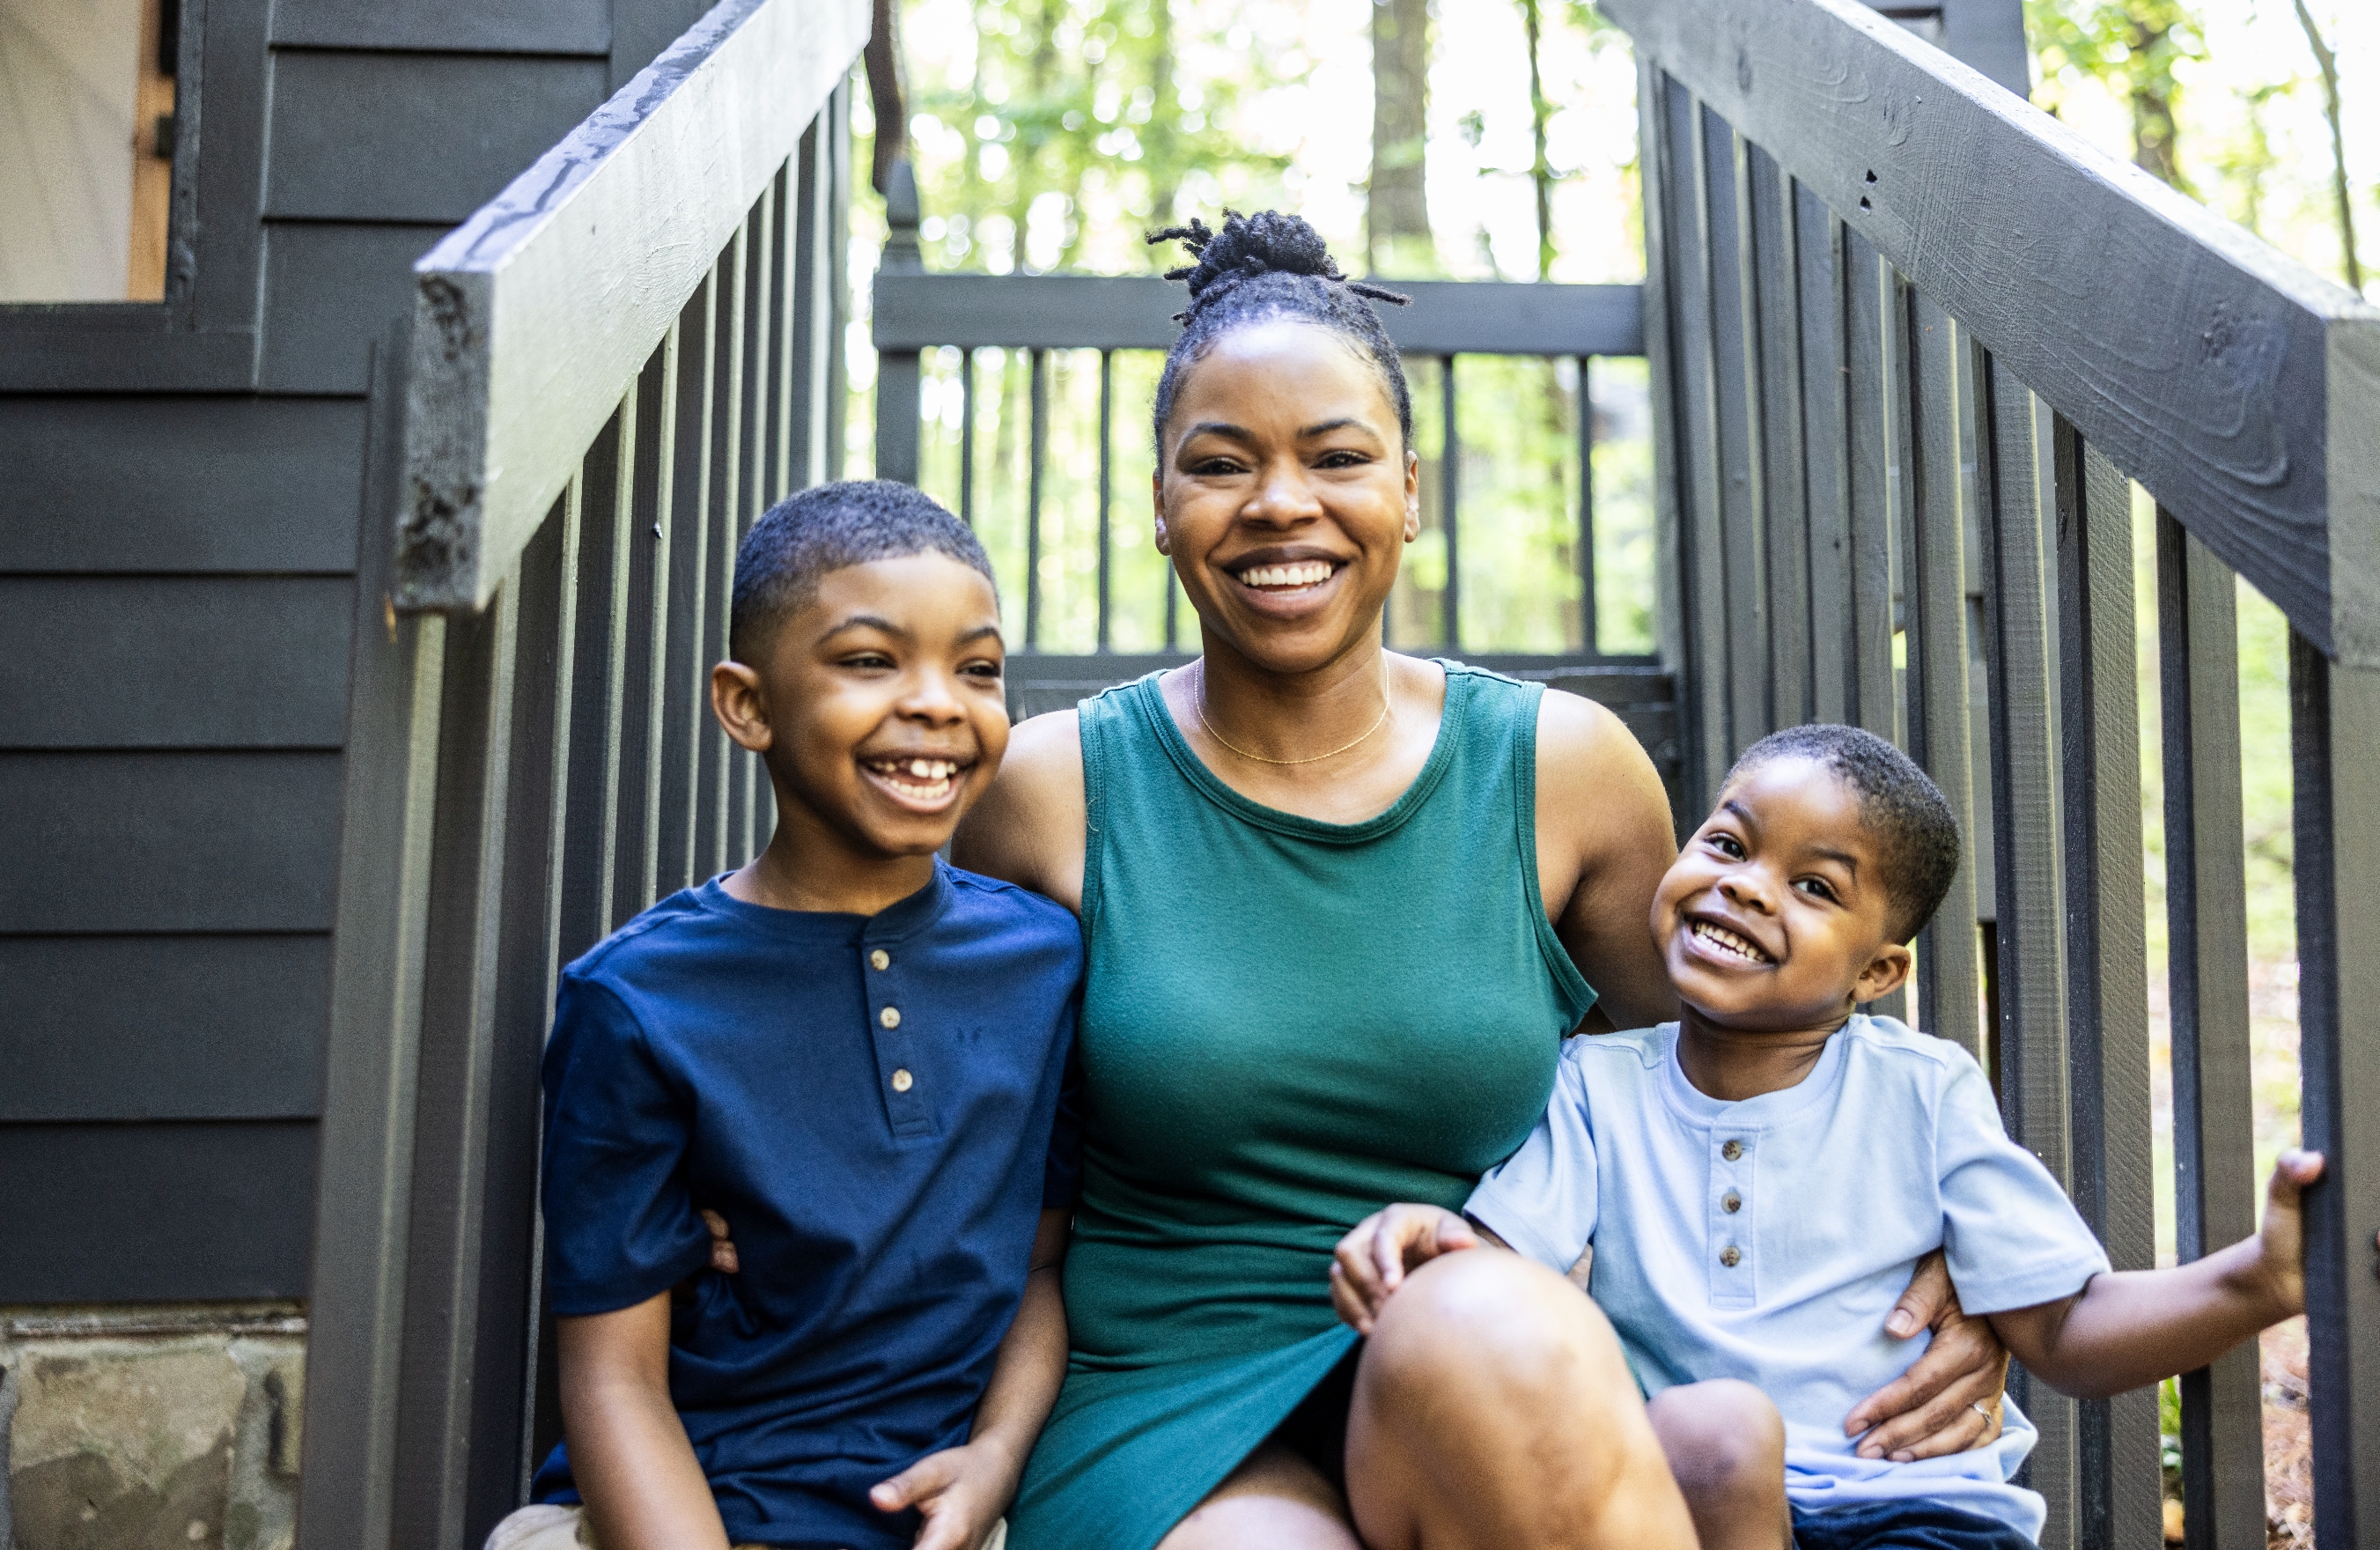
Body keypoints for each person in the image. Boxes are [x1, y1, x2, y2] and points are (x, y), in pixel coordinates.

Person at [951, 211, 2011, 1550]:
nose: (1283, 502)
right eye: (1222, 464)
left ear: (1409, 488)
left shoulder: (1567, 770)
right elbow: (932, 1104)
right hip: (1170, 1398)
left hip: (1508, 1355)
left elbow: (1745, 1070)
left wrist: (1969, 1270)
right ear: (1161, 505)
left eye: (1336, 457)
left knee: (1475, 1318)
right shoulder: (1047, 792)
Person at [1330, 722, 2325, 1550]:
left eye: (1815, 887)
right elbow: (1501, 1271)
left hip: (1916, 1512)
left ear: (1876, 974)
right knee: (1713, 1426)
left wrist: (2257, 1278)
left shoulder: (1921, 1092)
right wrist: (1426, 1234)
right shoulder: (1594, 1086)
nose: (1749, 886)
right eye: (1726, 843)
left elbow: (2063, 1328)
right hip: (1689, 1502)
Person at [484, 483, 1084, 1550]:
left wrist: (993, 1461)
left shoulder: (1045, 963)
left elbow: (1043, 1263)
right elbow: (614, 1376)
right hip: (678, 1511)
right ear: (747, 704)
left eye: (977, 667)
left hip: (948, 1513)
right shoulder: (636, 999)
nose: (939, 701)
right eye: (869, 660)